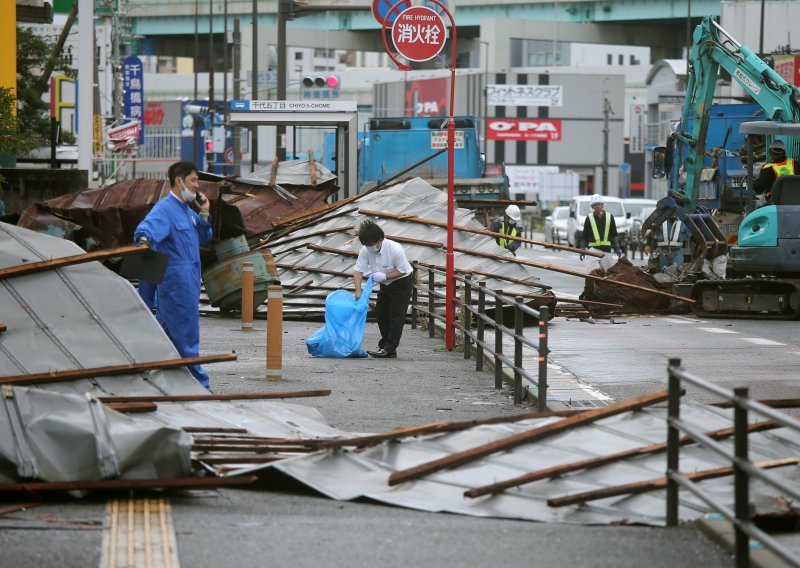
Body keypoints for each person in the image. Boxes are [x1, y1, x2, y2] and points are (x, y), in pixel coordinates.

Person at [133, 161, 213, 388]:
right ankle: (200, 387)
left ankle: (159, 383)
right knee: (186, 337)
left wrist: (205, 211)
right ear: (179, 181)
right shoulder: (165, 209)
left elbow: (204, 235)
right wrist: (143, 241)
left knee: (167, 338)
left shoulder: (186, 211)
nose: (197, 186)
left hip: (188, 282)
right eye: (193, 180)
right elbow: (146, 229)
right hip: (177, 285)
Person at [353, 220, 413, 359]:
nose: (369, 248)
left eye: (370, 244)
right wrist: (358, 291)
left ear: (380, 240)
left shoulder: (395, 249)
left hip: (401, 281)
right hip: (385, 284)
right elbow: (358, 270)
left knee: (395, 315)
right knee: (381, 313)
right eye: (366, 245)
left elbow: (403, 270)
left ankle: (389, 348)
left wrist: (385, 275)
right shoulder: (366, 250)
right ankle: (386, 346)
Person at [579, 194, 622, 259]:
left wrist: (617, 248)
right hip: (592, 251)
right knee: (594, 269)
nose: (597, 206)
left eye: (599, 204)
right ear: (592, 207)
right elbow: (584, 236)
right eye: (595, 205)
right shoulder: (589, 218)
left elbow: (614, 234)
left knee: (607, 269)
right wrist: (582, 250)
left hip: (606, 251)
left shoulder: (610, 217)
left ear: (602, 205)